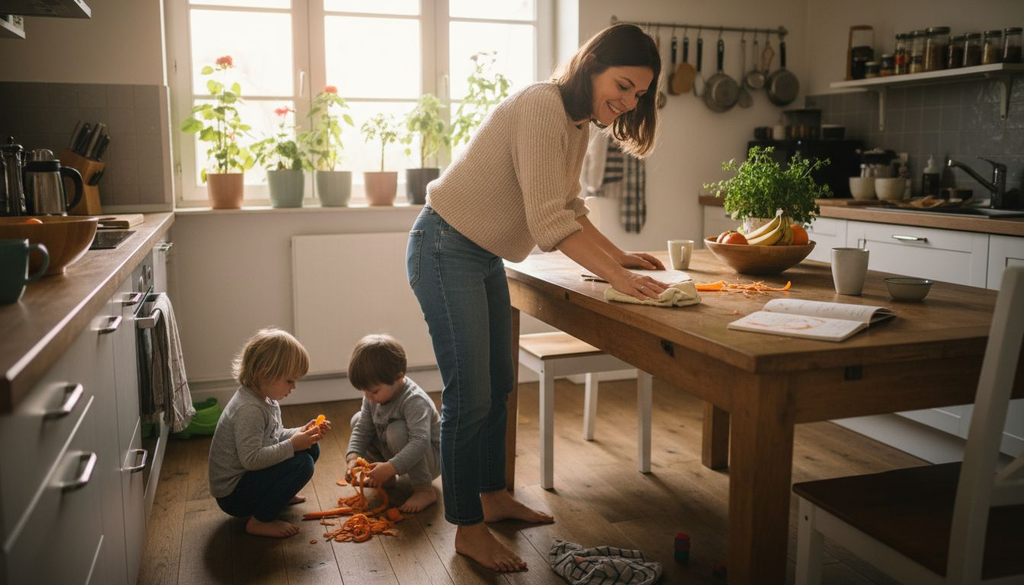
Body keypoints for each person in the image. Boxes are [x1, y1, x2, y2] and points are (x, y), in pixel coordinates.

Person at [406, 23, 667, 572]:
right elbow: (548, 220)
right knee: (470, 395)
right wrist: (616, 279)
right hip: (443, 247)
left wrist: (618, 257)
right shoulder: (541, 105)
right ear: (591, 62)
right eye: (622, 86)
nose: (626, 103)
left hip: (479, 255)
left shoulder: (578, 122)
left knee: (499, 387)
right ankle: (467, 529)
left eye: (638, 95)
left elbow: (568, 205)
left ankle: (491, 495)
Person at [207, 328, 330, 538]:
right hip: (235, 495)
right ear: (266, 373)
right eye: (289, 380)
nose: (294, 386)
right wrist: (292, 445)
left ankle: (280, 494)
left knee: (311, 446)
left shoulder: (265, 398)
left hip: (249, 479)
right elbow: (252, 459)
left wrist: (302, 432)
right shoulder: (249, 409)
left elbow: (272, 436)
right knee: (303, 464)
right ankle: (260, 521)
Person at [344, 334, 442, 513]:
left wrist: (390, 467)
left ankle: (424, 490)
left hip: (430, 460)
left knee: (397, 430)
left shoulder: (414, 401)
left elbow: (420, 443)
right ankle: (386, 478)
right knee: (358, 419)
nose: (367, 396)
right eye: (364, 391)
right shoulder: (373, 395)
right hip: (397, 452)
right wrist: (352, 458)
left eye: (373, 391)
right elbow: (362, 428)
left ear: (399, 377)